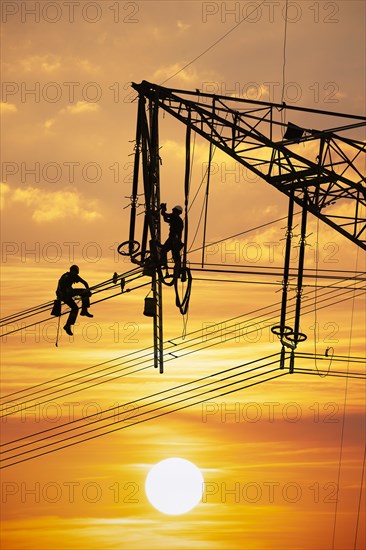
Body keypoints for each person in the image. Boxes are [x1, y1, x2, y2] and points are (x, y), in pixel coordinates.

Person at [56, 265, 93, 336]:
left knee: (75, 308)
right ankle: (84, 310)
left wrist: (59, 297)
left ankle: (68, 325)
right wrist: (88, 290)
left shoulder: (64, 275)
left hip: (62, 296)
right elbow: (85, 283)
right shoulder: (73, 274)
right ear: (76, 271)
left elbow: (60, 287)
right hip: (68, 293)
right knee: (85, 292)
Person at [160, 204, 184, 272]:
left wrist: (163, 209)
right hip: (176, 240)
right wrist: (163, 210)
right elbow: (165, 219)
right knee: (176, 256)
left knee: (164, 250)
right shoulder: (177, 219)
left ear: (176, 211)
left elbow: (164, 215)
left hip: (173, 239)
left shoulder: (175, 217)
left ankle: (164, 263)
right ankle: (178, 270)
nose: (172, 212)